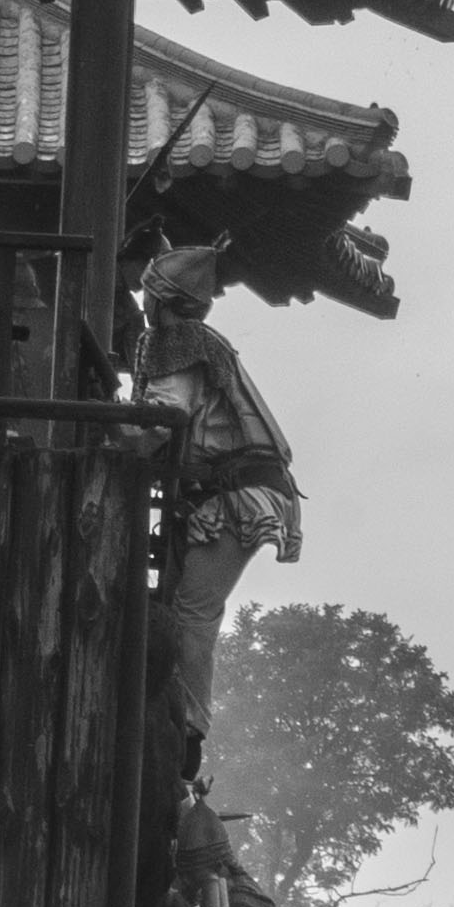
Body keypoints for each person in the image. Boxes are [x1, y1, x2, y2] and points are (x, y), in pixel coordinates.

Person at [130, 237, 302, 728]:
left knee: (191, 615)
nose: (143, 302)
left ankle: (189, 727)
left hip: (237, 495)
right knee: (183, 610)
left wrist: (112, 443)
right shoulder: (201, 341)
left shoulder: (178, 341)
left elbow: (165, 417)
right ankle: (178, 720)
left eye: (147, 293)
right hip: (235, 490)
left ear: (161, 299)